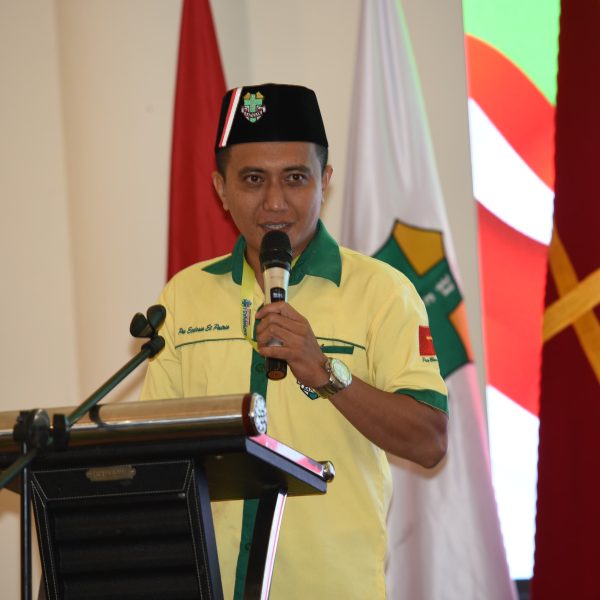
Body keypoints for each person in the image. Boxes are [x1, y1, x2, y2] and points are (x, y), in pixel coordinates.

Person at [141, 83, 448, 599]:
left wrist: (324, 371)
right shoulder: (185, 296)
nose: (274, 202)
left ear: (325, 181)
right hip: (208, 585)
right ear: (220, 188)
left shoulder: (382, 292)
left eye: (295, 178)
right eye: (253, 179)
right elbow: (157, 455)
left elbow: (430, 441)